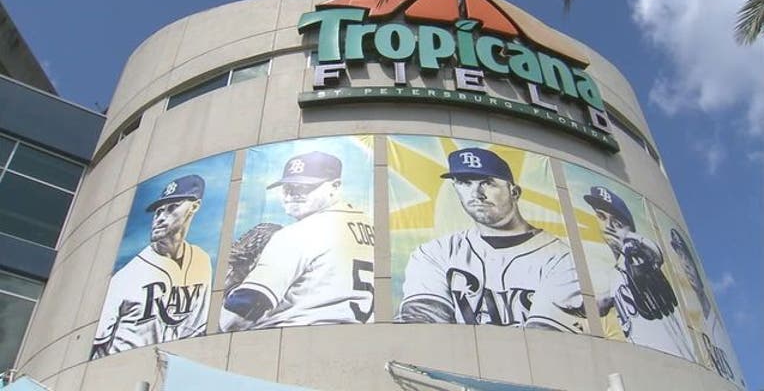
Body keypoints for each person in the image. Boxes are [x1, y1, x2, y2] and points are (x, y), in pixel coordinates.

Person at [397, 148, 586, 332]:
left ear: (514, 192)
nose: (476, 194)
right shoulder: (435, 253)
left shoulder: (561, 259)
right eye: (464, 182)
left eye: (487, 183)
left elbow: (546, 344)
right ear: (455, 187)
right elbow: (421, 327)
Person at [220, 151, 374, 331]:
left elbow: (242, 312)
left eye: (304, 186)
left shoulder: (298, 233)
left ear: (335, 186)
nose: (292, 194)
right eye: (287, 186)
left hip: (294, 339)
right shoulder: (371, 228)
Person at [92, 174, 211, 358]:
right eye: (158, 211)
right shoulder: (126, 277)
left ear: (194, 206)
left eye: (172, 208)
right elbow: (97, 347)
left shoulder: (201, 260)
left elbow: (198, 329)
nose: (161, 218)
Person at [583, 186, 695, 360]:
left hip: (674, 358)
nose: (609, 226)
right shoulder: (613, 275)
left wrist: (632, 242)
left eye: (618, 223)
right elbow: (601, 303)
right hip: (642, 360)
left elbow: (654, 251)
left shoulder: (640, 257)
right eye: (601, 216)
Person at [669, 229, 738, 383]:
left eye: (687, 260)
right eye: (681, 261)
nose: (686, 267)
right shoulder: (694, 324)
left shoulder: (716, 325)